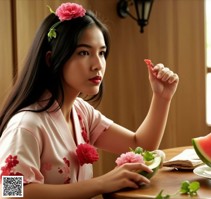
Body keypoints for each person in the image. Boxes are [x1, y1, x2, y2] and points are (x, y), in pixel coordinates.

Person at [0, 2, 179, 199]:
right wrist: (101, 183)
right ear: (51, 60)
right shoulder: (26, 126)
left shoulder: (81, 112)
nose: (98, 65)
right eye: (84, 52)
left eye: (101, 53)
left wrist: (162, 97)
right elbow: (11, 192)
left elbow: (140, 145)